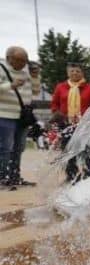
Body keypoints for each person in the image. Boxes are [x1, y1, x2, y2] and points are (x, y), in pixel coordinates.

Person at [50, 62, 90, 183]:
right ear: (68, 73)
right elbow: (54, 104)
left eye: (77, 71)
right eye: (72, 71)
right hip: (66, 124)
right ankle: (71, 175)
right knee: (68, 150)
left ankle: (89, 174)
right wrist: (56, 113)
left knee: (88, 150)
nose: (74, 73)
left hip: (86, 125)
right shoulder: (60, 87)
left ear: (82, 73)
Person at [0, 46, 37, 190]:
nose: (23, 63)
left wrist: (35, 78)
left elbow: (36, 91)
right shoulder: (1, 69)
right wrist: (11, 85)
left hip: (22, 117)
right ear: (9, 58)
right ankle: (2, 177)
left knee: (19, 148)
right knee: (5, 148)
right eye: (20, 60)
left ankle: (15, 176)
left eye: (25, 61)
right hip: (4, 115)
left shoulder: (26, 72)